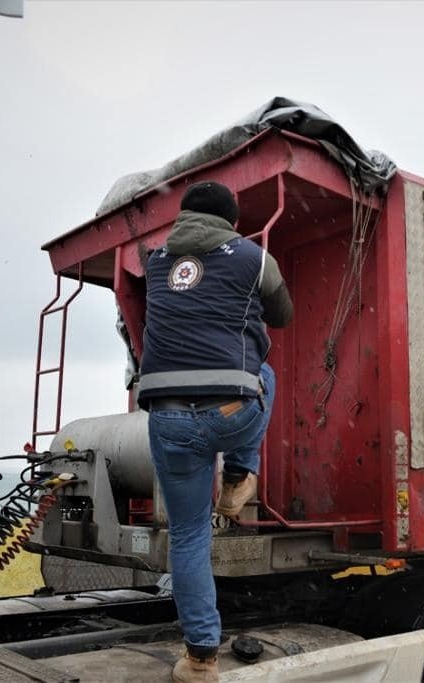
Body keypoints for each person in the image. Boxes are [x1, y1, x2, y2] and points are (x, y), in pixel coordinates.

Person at [136, 181, 293, 683]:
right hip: (231, 411)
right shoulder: (253, 257)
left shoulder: (154, 261)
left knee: (187, 536)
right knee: (264, 375)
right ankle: (239, 477)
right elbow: (283, 315)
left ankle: (201, 659)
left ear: (183, 216)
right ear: (232, 220)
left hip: (167, 418)